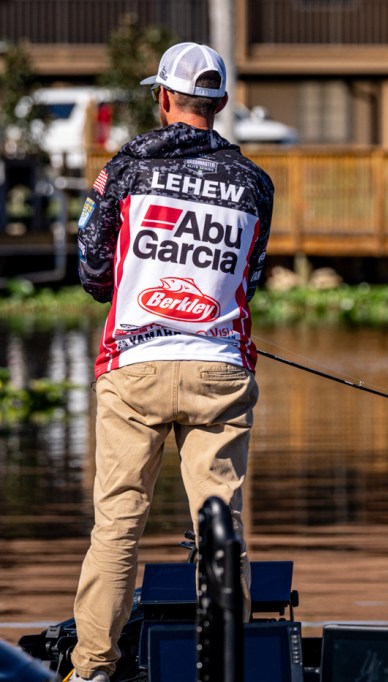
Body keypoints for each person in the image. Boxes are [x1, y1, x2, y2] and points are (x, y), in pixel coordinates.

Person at [66, 42, 274, 682]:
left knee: (117, 524)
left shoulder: (124, 169)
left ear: (162, 98)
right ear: (221, 102)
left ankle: (93, 668)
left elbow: (92, 268)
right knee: (222, 529)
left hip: (133, 368)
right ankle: (229, 666)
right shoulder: (255, 184)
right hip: (220, 370)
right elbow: (251, 278)